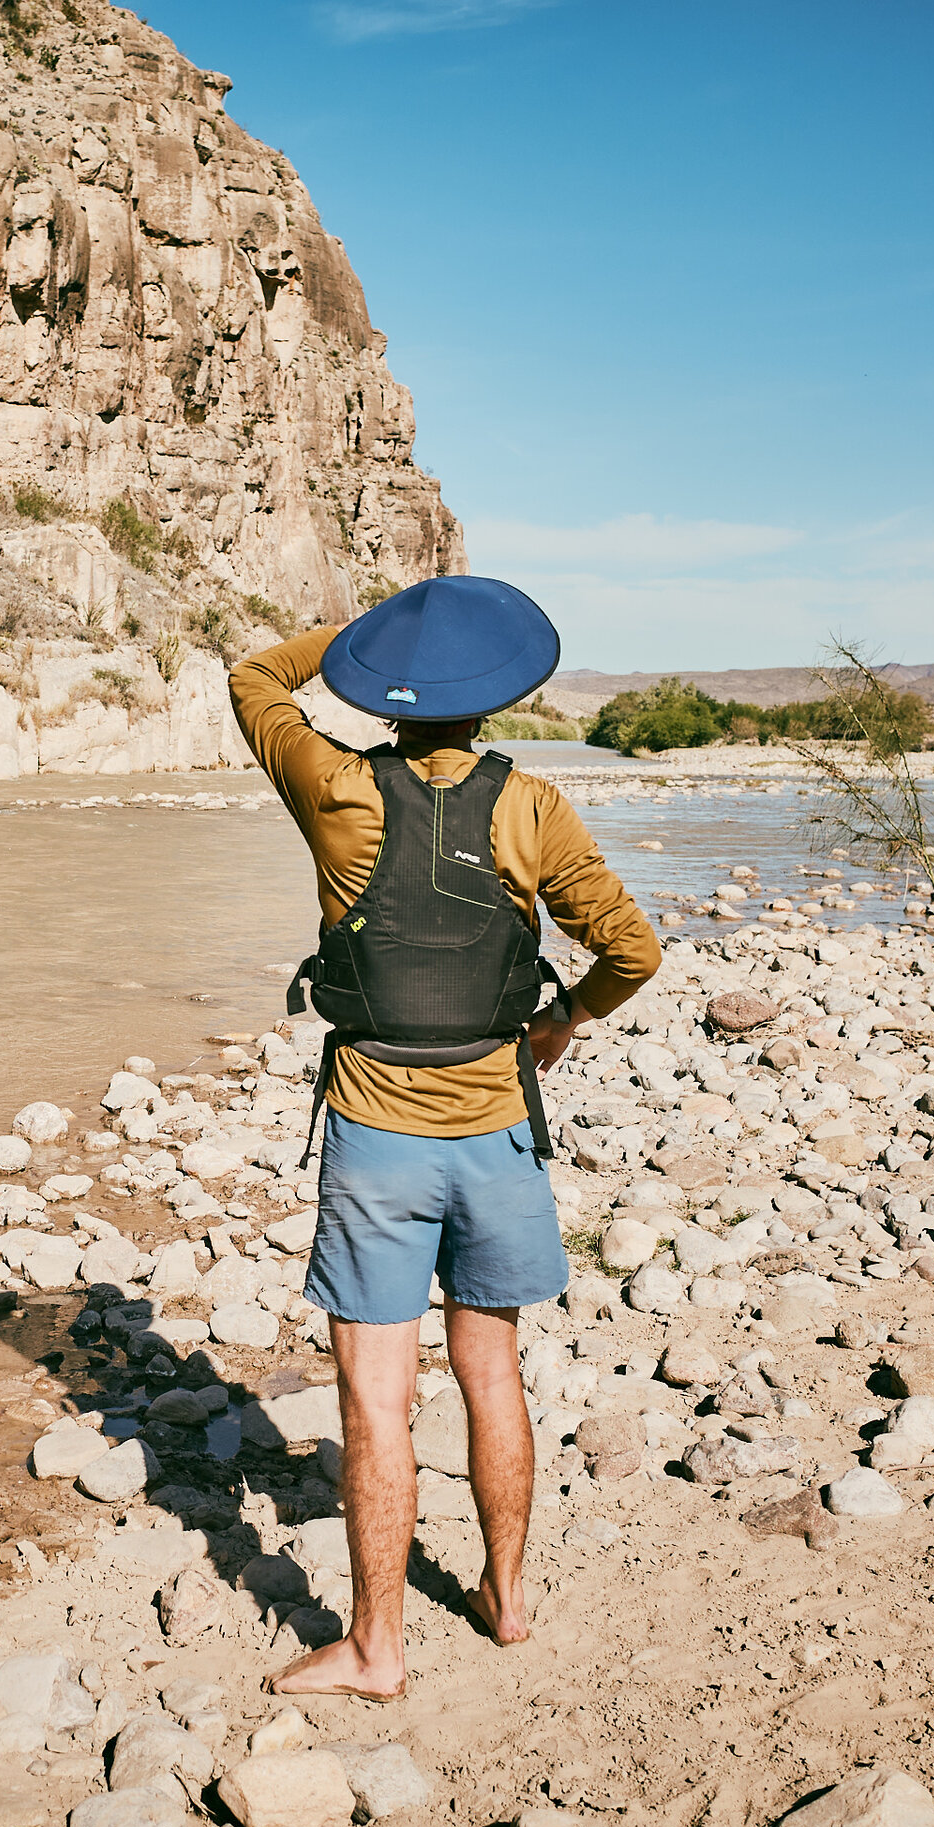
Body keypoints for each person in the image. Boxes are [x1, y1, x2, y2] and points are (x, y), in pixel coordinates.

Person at [227, 575, 660, 1702]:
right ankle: (505, 1603)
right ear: (498, 696)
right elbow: (633, 951)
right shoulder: (534, 807)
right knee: (490, 1366)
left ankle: (375, 1651)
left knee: (375, 1395)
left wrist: (367, 637)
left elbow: (253, 675)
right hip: (498, 1132)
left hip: (377, 1128)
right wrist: (564, 1021)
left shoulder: (328, 781)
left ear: (389, 694)